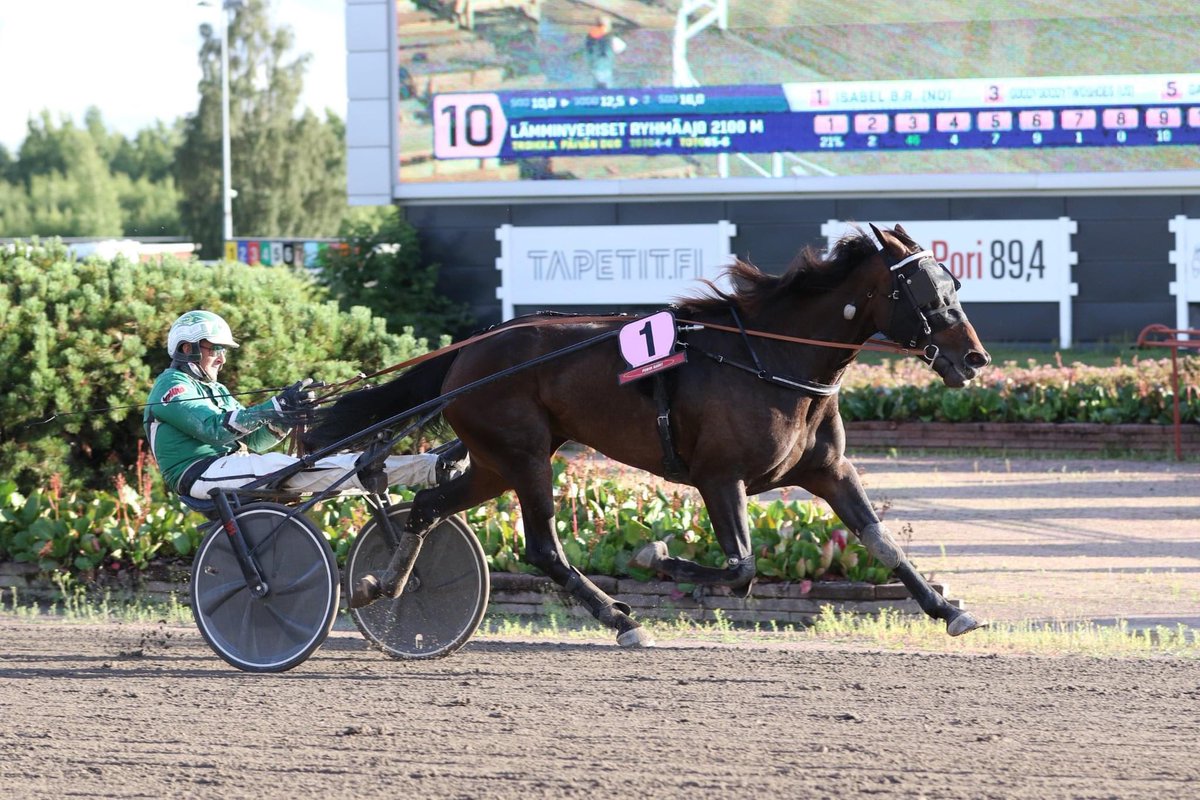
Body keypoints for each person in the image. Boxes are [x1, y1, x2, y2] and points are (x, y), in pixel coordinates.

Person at [144, 310, 463, 501]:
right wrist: (275, 406)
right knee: (296, 468)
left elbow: (254, 442)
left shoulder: (214, 389)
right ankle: (425, 468)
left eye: (224, 350)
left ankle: (430, 467)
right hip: (198, 473)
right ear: (186, 348)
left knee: (322, 467)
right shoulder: (172, 386)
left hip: (229, 467)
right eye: (215, 348)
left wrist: (284, 418)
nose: (222, 357)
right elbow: (215, 430)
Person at [584, 15, 624, 89]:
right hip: (605, 67)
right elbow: (621, 47)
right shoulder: (610, 38)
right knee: (606, 89)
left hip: (594, 66)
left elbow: (588, 50)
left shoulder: (590, 36)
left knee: (596, 88)